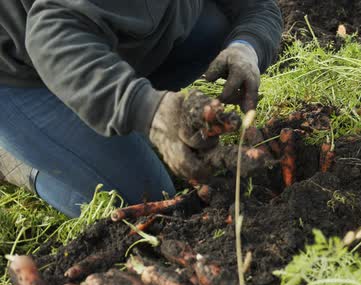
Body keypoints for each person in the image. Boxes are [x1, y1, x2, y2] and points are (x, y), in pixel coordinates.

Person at [0, 0, 283, 217]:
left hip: (93, 30)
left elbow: (257, 5)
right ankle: (18, 162)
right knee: (145, 200)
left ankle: (106, 111)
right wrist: (148, 110)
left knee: (214, 28)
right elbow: (51, 36)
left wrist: (247, 45)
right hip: (21, 70)